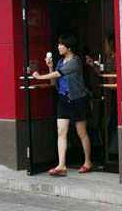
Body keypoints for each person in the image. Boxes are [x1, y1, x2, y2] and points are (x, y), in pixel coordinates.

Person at [32, 34, 92, 176]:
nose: (58, 47)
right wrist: (50, 67)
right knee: (61, 132)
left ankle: (88, 162)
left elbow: (57, 75)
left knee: (81, 132)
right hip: (63, 99)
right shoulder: (60, 62)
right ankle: (61, 165)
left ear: (68, 47)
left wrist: (39, 77)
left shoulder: (75, 61)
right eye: (58, 44)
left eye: (61, 44)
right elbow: (54, 82)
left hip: (77, 100)